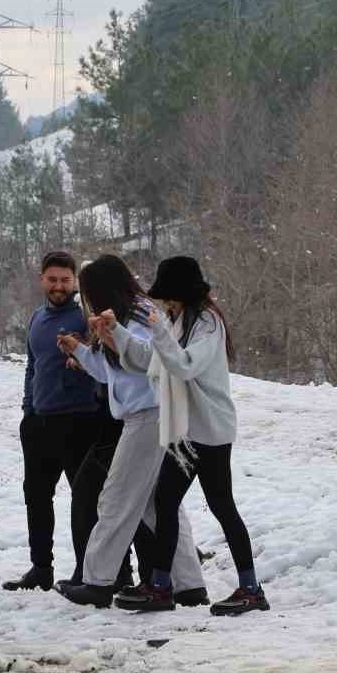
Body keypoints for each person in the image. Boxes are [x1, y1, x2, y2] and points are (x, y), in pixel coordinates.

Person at [112, 257, 266, 616]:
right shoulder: (178, 320)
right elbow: (153, 359)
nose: (165, 304)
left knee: (221, 505)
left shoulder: (208, 323)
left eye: (168, 296)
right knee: (165, 500)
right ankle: (161, 587)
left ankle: (251, 588)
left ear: (181, 294)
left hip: (210, 429)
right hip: (185, 431)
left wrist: (160, 332)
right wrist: (116, 333)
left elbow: (183, 364)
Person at [54, 255, 207, 609]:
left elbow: (147, 362)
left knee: (116, 497)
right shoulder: (127, 317)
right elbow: (115, 374)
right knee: (158, 505)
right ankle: (189, 585)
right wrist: (82, 350)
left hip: (149, 416)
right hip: (150, 415)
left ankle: (97, 581)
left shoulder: (138, 317)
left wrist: (112, 335)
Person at [2, 251, 116, 592]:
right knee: (36, 497)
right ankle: (41, 568)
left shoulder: (86, 317)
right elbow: (32, 367)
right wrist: (28, 411)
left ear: (74, 282)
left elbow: (106, 362)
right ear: (42, 280)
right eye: (52, 279)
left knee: (87, 502)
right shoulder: (36, 318)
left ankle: (90, 571)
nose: (58, 286)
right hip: (39, 422)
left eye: (65, 280)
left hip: (81, 420)